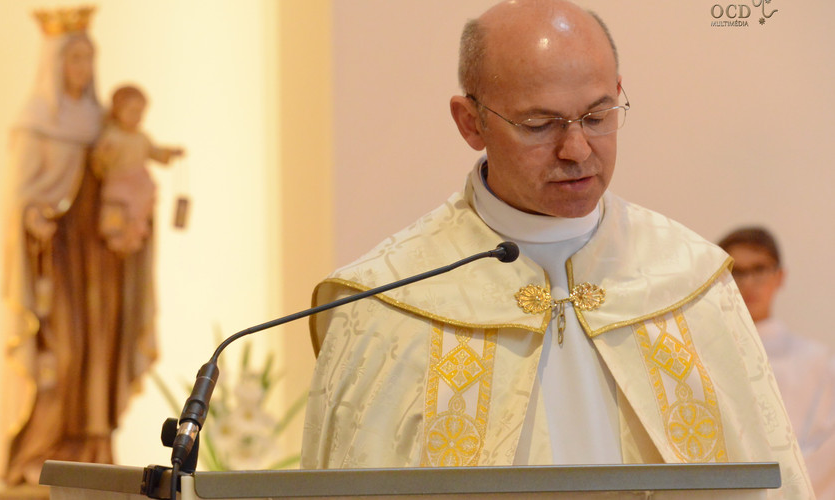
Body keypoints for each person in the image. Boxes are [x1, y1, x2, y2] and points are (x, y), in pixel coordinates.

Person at [301, 1, 813, 497]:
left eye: (597, 116)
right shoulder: (385, 302)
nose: (577, 149)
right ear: (470, 122)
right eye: (539, 124)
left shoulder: (690, 281)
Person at [1, 7, 157, 486]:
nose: (84, 69)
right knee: (61, 359)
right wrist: (32, 217)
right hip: (59, 264)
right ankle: (39, 453)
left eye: (90, 59)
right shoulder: (37, 123)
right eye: (74, 59)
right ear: (54, 63)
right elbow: (20, 197)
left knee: (101, 356)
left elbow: (127, 174)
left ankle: (94, 453)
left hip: (103, 264)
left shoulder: (104, 125)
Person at [720, 227, 835, 498]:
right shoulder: (703, 359)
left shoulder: (816, 360)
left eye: (759, 269)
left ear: (780, 276)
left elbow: (826, 448)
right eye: (736, 272)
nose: (748, 283)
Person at [92, 84, 184, 256]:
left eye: (140, 112)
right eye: (132, 111)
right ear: (118, 111)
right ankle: (115, 236)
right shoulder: (112, 136)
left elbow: (155, 153)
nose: (137, 117)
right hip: (119, 181)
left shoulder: (142, 138)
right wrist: (105, 155)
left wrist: (171, 153)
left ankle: (133, 236)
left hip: (139, 183)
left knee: (138, 211)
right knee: (116, 208)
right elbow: (100, 161)